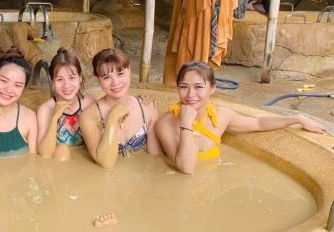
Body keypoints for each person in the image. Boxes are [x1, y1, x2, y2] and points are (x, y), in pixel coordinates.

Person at [155, 60, 327, 175]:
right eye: (184, 87)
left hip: (207, 191)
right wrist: (186, 124)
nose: (190, 94)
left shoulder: (222, 116)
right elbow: (186, 169)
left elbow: (259, 123)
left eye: (198, 87)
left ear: (212, 88)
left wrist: (297, 119)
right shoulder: (165, 123)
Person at [79, 48, 162, 169]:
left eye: (120, 73)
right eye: (106, 77)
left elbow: (155, 159)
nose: (115, 82)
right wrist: (112, 120)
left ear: (129, 71)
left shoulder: (148, 108)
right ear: (98, 80)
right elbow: (106, 164)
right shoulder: (88, 117)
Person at [36, 48, 96, 160]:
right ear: (53, 81)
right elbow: (44, 154)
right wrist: (54, 119)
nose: (66, 85)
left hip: (83, 161)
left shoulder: (89, 102)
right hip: (58, 165)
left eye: (72, 78)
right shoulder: (45, 109)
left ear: (80, 77)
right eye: (60, 79)